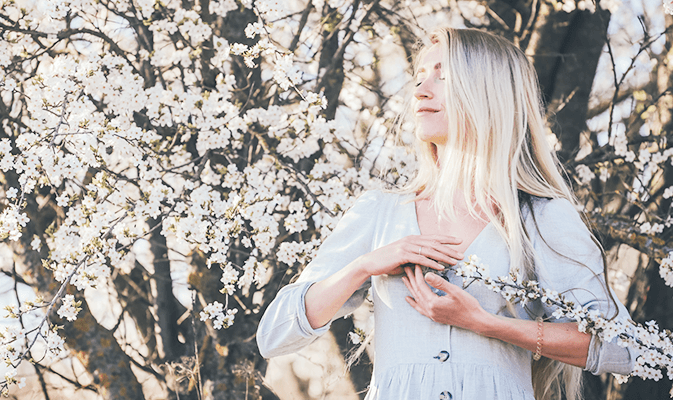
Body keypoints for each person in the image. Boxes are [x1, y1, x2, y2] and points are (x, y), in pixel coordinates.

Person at [256, 28, 636, 400]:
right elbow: (273, 335)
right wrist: (365, 265)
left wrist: (485, 323)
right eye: (419, 76)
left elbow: (623, 348)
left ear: (489, 92)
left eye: (444, 76)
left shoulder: (540, 216)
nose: (420, 90)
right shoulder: (379, 212)